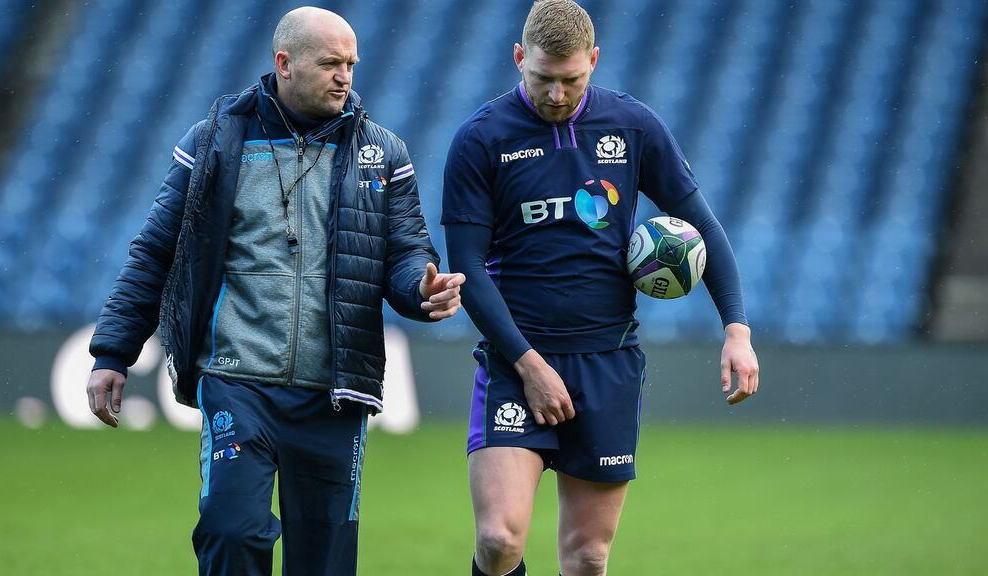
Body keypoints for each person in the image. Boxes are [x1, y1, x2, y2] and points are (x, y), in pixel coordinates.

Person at [86, 7, 464, 575]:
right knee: (231, 532)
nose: (346, 77)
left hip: (335, 388)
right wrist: (114, 352)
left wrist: (422, 289)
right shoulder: (214, 141)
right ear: (284, 64)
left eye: (351, 65)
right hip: (238, 381)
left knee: (324, 562)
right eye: (331, 63)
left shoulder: (382, 152)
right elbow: (156, 251)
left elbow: (407, 253)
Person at [441, 1, 760, 575]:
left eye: (572, 80)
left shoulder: (633, 126)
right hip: (517, 363)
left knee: (587, 557)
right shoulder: (480, 139)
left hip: (607, 363)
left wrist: (736, 328)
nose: (557, 95)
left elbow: (703, 228)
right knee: (497, 540)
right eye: (542, 79)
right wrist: (530, 365)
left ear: (594, 60)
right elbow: (467, 269)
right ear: (519, 59)